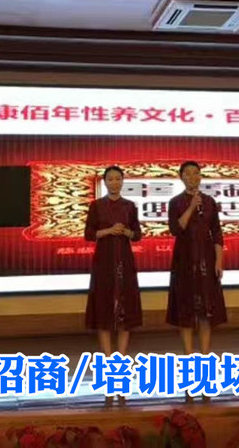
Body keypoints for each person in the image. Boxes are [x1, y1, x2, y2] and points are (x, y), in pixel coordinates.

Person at [84, 165, 143, 405]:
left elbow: (138, 234)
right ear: (105, 182)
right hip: (104, 262)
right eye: (111, 179)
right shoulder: (96, 206)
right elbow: (89, 234)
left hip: (125, 262)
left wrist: (127, 232)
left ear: (123, 181)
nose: (115, 182)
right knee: (104, 313)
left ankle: (120, 365)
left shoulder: (129, 206)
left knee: (125, 313)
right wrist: (108, 230)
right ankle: (109, 367)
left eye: (118, 179)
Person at [166, 160, 227, 393]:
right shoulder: (176, 202)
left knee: (206, 312)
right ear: (181, 177)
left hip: (207, 259)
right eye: (188, 174)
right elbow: (176, 228)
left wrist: (219, 260)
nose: (193, 177)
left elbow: (217, 232)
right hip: (184, 260)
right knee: (186, 311)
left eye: (196, 173)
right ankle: (188, 360)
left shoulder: (210, 202)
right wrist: (191, 206)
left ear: (201, 176)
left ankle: (205, 360)